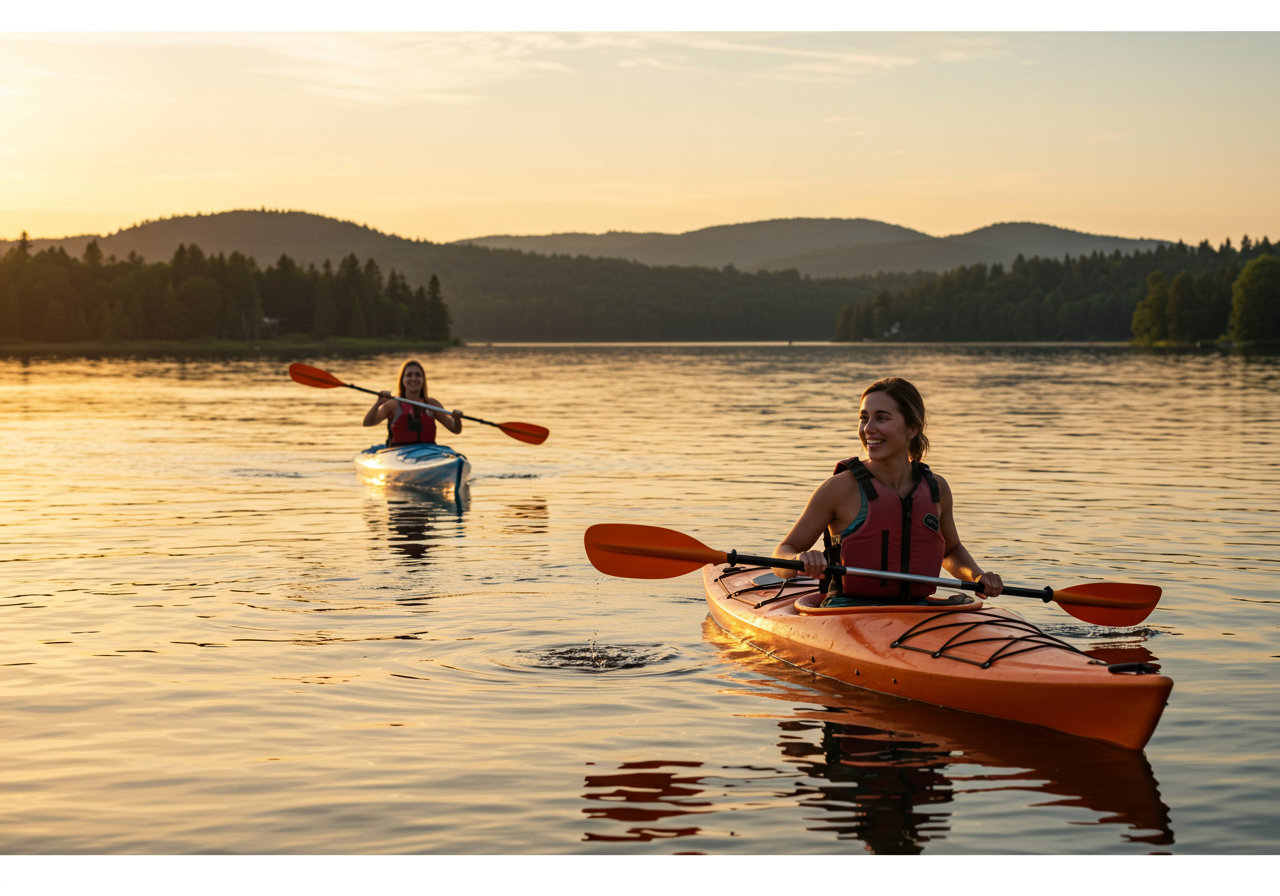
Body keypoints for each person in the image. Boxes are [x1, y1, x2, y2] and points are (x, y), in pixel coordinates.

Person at [772, 377, 1003, 606]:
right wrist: (798, 559)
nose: (868, 428)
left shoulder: (936, 488)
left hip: (917, 609)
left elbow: (950, 551)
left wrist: (977, 576)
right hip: (847, 611)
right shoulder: (839, 488)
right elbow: (781, 554)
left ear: (912, 429)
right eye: (864, 418)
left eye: (882, 418)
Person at [362, 359, 462, 446]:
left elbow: (455, 429)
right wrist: (378, 403)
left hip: (428, 452)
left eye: (418, 375)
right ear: (403, 379)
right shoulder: (393, 404)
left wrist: (457, 420)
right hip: (399, 453)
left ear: (423, 379)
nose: (413, 379)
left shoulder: (432, 404)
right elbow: (368, 423)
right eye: (409, 375)